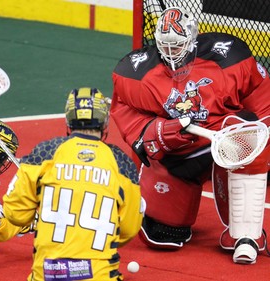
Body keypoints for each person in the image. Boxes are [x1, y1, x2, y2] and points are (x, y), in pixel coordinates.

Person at [110, 6, 270, 264]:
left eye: (177, 45)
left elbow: (263, 103)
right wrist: (160, 133)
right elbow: (128, 114)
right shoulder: (135, 73)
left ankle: (246, 236)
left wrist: (261, 142)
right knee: (162, 233)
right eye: (166, 45)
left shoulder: (228, 57)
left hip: (226, 135)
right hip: (181, 153)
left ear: (191, 38)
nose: (172, 52)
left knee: (249, 131)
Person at [3, 87, 144, 281]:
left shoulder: (44, 153)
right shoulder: (122, 163)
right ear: (104, 122)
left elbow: (14, 213)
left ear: (68, 120)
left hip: (47, 276)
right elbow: (128, 229)